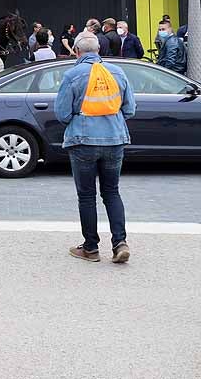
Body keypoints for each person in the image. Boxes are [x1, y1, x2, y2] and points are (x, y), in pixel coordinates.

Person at [54, 31, 135, 264]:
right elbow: (129, 109)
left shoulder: (72, 75)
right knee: (112, 192)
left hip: (83, 141)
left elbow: (62, 114)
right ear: (99, 50)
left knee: (87, 196)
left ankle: (90, 248)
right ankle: (120, 242)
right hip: (115, 139)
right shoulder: (118, 72)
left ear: (77, 52)